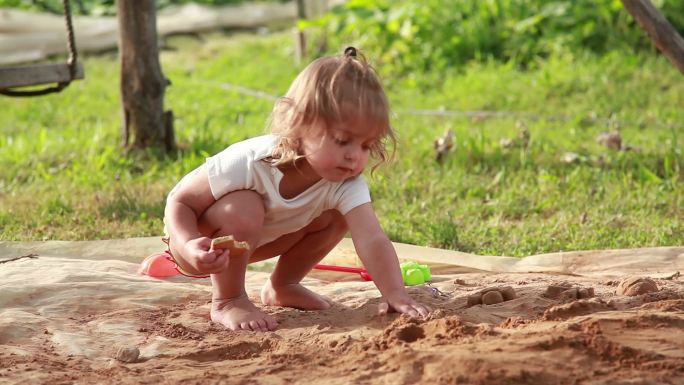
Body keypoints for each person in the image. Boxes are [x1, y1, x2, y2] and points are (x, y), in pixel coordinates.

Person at [163, 46, 432, 332]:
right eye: (342, 140)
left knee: (339, 216)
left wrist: (394, 293)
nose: (355, 156)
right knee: (244, 206)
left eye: (366, 145)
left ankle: (283, 285)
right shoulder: (251, 162)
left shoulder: (345, 181)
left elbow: (372, 238)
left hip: (259, 242)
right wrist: (188, 244)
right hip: (202, 247)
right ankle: (228, 299)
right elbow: (180, 202)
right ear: (298, 124)